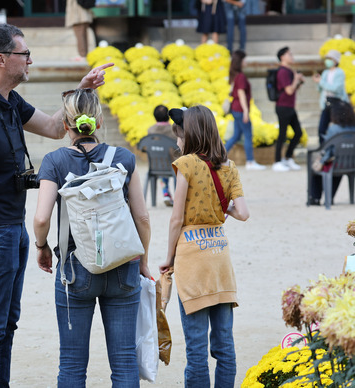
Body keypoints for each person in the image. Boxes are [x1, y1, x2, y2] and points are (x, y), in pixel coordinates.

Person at [0, 23, 111, 387]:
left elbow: (56, 129)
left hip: (13, 228)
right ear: (1, 59)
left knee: (6, 324)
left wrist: (82, 89)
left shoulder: (9, 101)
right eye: (24, 55)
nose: (31, 61)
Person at [33, 88, 151, 386]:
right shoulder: (124, 158)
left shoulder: (54, 161)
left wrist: (42, 246)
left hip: (76, 269)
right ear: (99, 121)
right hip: (123, 266)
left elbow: (42, 218)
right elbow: (142, 217)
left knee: (72, 364)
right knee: (124, 360)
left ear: (65, 125)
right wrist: (143, 261)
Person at [159, 105, 249, 388]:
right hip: (219, 256)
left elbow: (176, 219)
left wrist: (168, 257)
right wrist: (223, 209)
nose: (177, 141)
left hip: (192, 257)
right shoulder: (229, 167)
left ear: (191, 135)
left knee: (196, 348)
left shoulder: (186, 164)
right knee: (225, 345)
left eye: (180, 135)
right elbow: (244, 213)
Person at [225, 50, 266, 170]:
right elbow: (241, 94)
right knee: (248, 134)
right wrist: (246, 112)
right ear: (240, 62)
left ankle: (219, 156)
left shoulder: (235, 75)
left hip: (235, 108)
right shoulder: (241, 76)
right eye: (244, 59)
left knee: (236, 136)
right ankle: (250, 161)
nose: (246, 61)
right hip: (240, 109)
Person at [308, 100, 355, 206]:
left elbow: (327, 148)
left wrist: (321, 158)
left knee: (318, 167)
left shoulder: (334, 128)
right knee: (338, 170)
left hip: (335, 164)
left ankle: (315, 197)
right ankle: (331, 197)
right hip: (351, 164)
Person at [272, 46, 304, 172]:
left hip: (289, 106)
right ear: (282, 57)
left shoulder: (289, 71)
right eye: (289, 54)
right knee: (282, 134)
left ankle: (288, 157)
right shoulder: (283, 71)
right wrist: (296, 79)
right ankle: (277, 161)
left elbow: (293, 89)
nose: (292, 56)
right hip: (283, 107)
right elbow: (289, 90)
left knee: (298, 132)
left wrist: (299, 81)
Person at [312, 49, 349, 145]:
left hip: (337, 103)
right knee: (322, 128)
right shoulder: (325, 72)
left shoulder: (340, 72)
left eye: (330, 58)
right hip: (326, 102)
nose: (327, 61)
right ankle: (323, 149)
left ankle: (339, 148)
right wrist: (318, 82)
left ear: (335, 61)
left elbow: (336, 88)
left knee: (339, 128)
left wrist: (321, 82)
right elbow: (321, 89)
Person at [147, 104, 181, 205]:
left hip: (156, 164)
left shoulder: (150, 130)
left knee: (162, 162)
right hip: (174, 164)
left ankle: (166, 193)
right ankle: (178, 197)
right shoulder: (174, 129)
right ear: (168, 116)